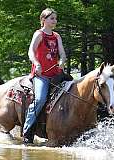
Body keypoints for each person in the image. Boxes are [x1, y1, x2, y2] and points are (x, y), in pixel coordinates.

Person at [23, 8, 72, 144]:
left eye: (55, 19)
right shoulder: (39, 34)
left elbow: (62, 53)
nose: (54, 21)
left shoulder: (57, 36)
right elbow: (31, 52)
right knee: (40, 99)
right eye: (52, 18)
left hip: (55, 73)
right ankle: (27, 132)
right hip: (41, 75)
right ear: (43, 20)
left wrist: (62, 61)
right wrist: (36, 63)